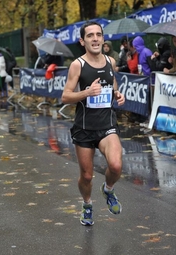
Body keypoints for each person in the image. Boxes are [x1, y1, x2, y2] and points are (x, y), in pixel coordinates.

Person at [61, 21, 125, 226]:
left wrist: (117, 94)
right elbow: (65, 96)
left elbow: (112, 83)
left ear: (103, 38)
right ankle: (87, 204)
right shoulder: (77, 65)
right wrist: (87, 92)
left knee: (115, 165)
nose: (95, 38)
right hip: (84, 127)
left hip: (107, 124)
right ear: (83, 41)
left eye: (98, 35)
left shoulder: (111, 61)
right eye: (90, 36)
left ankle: (108, 189)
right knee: (87, 176)